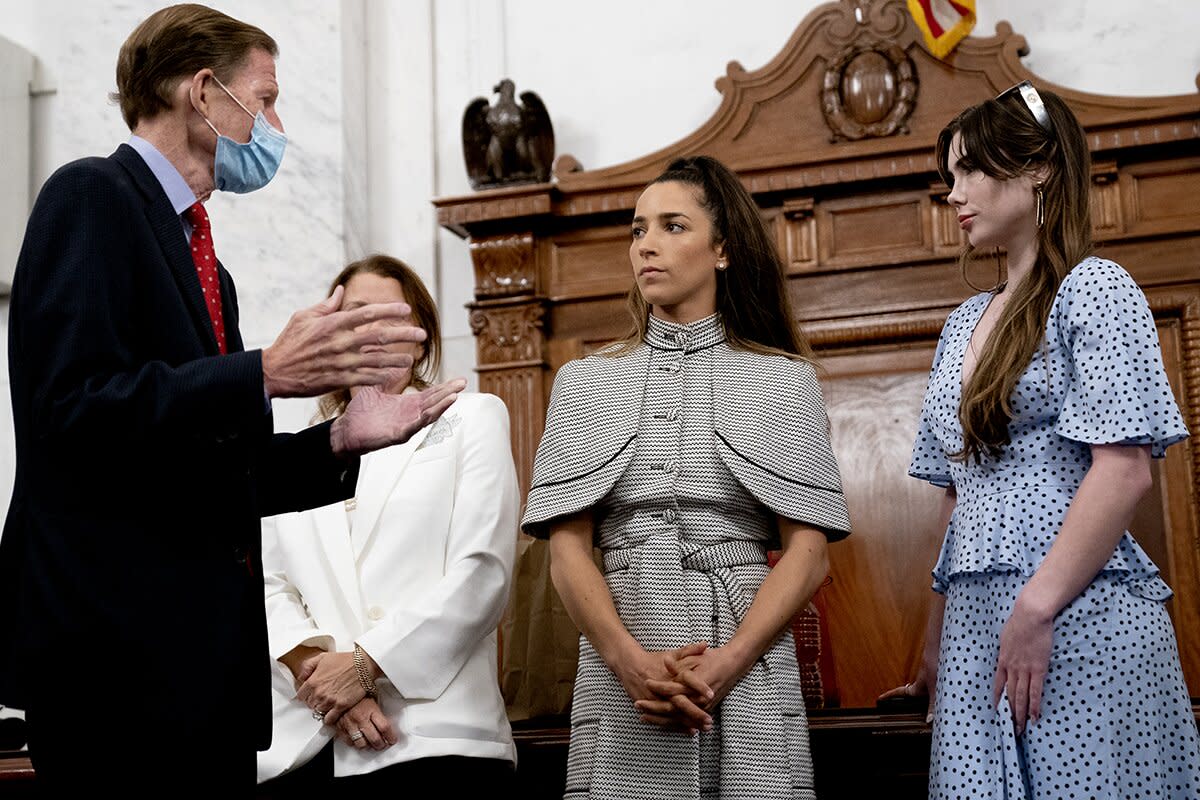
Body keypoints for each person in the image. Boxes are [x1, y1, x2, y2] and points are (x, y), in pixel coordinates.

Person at [0, 5, 465, 792]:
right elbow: (68, 412)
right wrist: (260, 373)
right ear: (204, 92)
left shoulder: (211, 268)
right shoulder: (92, 195)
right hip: (113, 664)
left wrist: (340, 442)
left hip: (200, 674)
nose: (277, 123)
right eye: (268, 96)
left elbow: (223, 474)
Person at [879, 81, 1200, 797]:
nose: (954, 192)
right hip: (976, 629)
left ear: (1039, 169)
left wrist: (1036, 607)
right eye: (950, 175)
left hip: (1076, 611)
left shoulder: (1095, 288)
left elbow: (1124, 473)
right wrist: (936, 644)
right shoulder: (963, 322)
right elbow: (956, 499)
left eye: (973, 170)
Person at [522, 155, 851, 800]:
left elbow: (809, 557)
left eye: (673, 226)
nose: (647, 244)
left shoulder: (782, 378)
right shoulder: (585, 381)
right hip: (625, 656)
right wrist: (629, 662)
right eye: (638, 229)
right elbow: (566, 552)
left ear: (722, 250)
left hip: (748, 654)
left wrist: (728, 664)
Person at [255, 255, 518, 794]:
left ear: (421, 337)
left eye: (388, 317)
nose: (369, 332)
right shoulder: (302, 453)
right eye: (353, 317)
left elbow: (482, 574)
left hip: (437, 737)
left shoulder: (471, 417)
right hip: (313, 741)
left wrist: (364, 666)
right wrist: (323, 680)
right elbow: (267, 586)